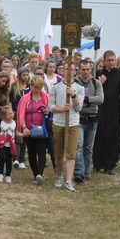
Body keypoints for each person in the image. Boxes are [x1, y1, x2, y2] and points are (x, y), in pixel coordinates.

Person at [49, 64, 84, 192]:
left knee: (71, 153)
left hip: (73, 123)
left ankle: (69, 180)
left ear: (75, 72)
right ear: (63, 71)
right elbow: (50, 106)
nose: (69, 72)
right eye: (66, 69)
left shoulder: (79, 88)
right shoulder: (55, 87)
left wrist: (73, 95)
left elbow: (79, 107)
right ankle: (59, 176)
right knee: (58, 152)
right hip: (59, 123)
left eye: (72, 70)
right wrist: (61, 109)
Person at [93, 50, 120, 175]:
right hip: (100, 110)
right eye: (109, 60)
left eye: (113, 60)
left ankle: (110, 165)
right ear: (104, 61)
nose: (111, 62)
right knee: (99, 137)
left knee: (113, 138)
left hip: (115, 111)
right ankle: (97, 164)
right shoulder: (98, 73)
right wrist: (100, 83)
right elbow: (93, 92)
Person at [73, 59, 104, 184]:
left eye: (88, 69)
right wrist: (89, 101)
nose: (86, 72)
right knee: (79, 146)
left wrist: (85, 99)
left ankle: (86, 172)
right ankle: (79, 172)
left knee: (88, 148)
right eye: (83, 69)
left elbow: (101, 99)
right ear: (79, 70)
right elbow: (74, 100)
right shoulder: (75, 82)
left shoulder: (96, 83)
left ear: (91, 69)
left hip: (93, 118)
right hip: (79, 117)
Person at [16, 76, 49, 185]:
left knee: (41, 151)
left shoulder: (46, 98)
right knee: (31, 152)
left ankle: (39, 174)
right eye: (35, 87)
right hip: (29, 129)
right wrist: (24, 127)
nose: (37, 90)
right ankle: (36, 174)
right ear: (31, 86)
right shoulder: (25, 98)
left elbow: (51, 111)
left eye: (39, 87)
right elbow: (21, 114)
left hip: (42, 129)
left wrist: (47, 112)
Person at [0, 105, 19, 183]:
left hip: (10, 145)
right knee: (2, 158)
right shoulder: (0, 124)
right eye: (9, 114)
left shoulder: (14, 123)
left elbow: (16, 133)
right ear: (3, 116)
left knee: (9, 160)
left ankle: (8, 175)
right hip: (1, 144)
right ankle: (0, 173)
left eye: (12, 113)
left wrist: (23, 134)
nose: (11, 115)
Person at [11, 67, 31, 169]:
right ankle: (16, 158)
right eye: (24, 75)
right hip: (16, 114)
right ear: (19, 76)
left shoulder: (30, 87)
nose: (26, 77)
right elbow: (11, 101)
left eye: (27, 75)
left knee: (24, 135)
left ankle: (22, 159)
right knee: (17, 137)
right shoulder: (14, 87)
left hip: (26, 115)